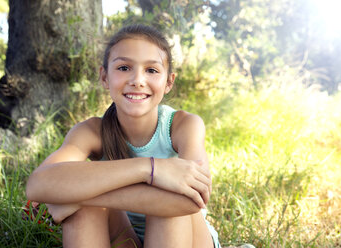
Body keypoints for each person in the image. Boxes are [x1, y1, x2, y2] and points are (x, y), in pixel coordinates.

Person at [26, 24, 221, 248]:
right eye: (124, 67)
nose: (137, 80)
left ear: (168, 82)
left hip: (186, 238)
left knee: (165, 206)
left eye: (152, 70)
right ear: (104, 77)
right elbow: (38, 185)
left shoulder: (184, 126)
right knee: (86, 211)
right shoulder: (91, 132)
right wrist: (149, 168)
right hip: (125, 238)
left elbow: (193, 199)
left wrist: (78, 196)